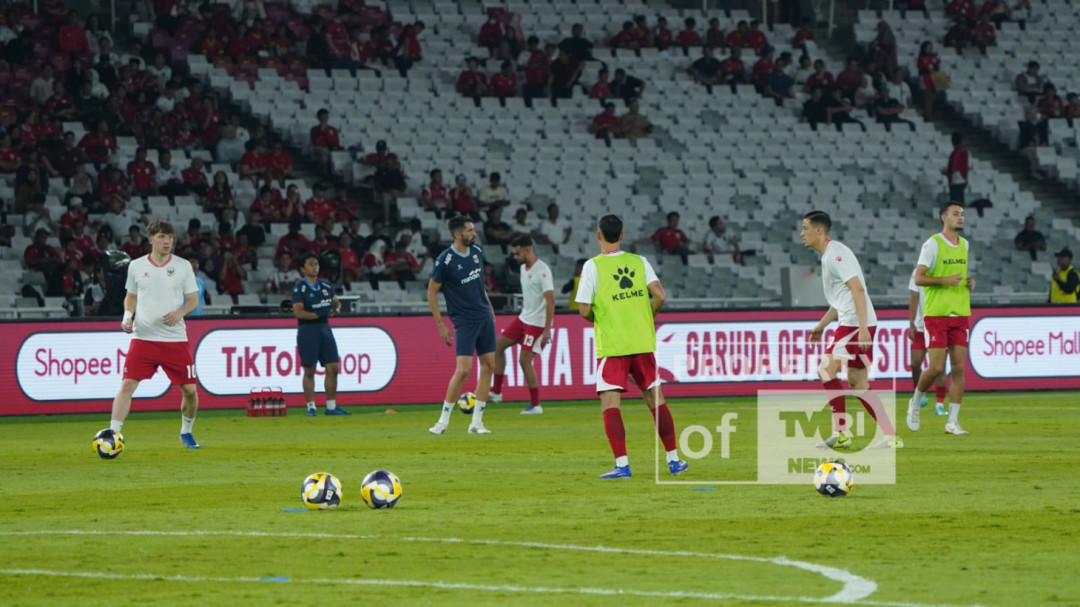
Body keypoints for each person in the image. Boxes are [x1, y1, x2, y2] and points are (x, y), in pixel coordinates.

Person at [575, 214, 688, 478]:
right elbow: (660, 295)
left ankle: (622, 465)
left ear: (598, 235)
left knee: (610, 403)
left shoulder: (592, 266)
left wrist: (603, 319)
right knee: (656, 400)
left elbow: (584, 309)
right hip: (641, 341)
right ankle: (674, 460)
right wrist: (646, 317)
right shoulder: (639, 261)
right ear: (622, 236)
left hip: (613, 344)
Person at [801, 211, 902, 449]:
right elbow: (841, 300)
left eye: (805, 228)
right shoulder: (830, 255)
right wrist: (821, 326)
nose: (802, 233)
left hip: (855, 324)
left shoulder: (836, 254)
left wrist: (863, 328)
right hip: (855, 322)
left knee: (826, 370)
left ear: (819, 230)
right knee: (858, 383)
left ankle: (841, 433)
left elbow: (858, 290)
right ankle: (891, 436)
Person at [107, 219, 202, 449]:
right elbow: (131, 296)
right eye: (161, 237)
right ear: (150, 240)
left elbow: (192, 301)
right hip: (143, 338)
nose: (166, 241)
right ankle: (113, 434)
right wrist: (127, 316)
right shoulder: (136, 266)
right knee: (127, 385)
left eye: (170, 237)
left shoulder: (183, 266)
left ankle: (186, 432)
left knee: (190, 391)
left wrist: (179, 312)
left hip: (174, 339)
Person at [907, 202, 975, 436]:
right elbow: (919, 279)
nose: (961, 217)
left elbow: (957, 276)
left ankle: (952, 422)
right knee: (936, 367)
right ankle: (915, 402)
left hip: (960, 312)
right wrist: (945, 281)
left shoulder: (965, 245)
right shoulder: (932, 244)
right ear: (943, 217)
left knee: (958, 368)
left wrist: (968, 282)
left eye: (962, 214)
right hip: (937, 314)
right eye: (956, 214)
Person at [427, 216, 497, 435]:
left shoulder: (476, 252)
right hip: (464, 320)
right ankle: (443, 421)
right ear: (457, 234)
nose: (473, 233)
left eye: (473, 229)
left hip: (483, 317)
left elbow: (479, 284)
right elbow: (431, 292)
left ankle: (476, 423)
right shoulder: (445, 260)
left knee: (488, 366)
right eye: (469, 230)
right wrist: (440, 324)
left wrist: (490, 308)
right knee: (464, 370)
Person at [489, 236, 555, 414]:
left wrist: (547, 329)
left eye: (517, 253)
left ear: (528, 250)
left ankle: (536, 405)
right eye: (514, 253)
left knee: (524, 360)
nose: (515, 257)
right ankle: (496, 391)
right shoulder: (522, 269)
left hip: (537, 324)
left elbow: (550, 301)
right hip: (524, 319)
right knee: (497, 346)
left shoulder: (542, 270)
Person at [291, 252, 349, 416]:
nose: (314, 267)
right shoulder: (299, 288)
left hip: (325, 328)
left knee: (333, 367)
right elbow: (299, 312)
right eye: (310, 264)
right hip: (308, 329)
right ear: (303, 269)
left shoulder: (325, 285)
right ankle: (311, 406)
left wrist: (336, 310)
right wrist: (320, 314)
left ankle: (331, 406)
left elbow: (336, 302)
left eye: (316, 264)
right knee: (310, 369)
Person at [908, 268, 949, 417]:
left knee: (940, 368)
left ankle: (939, 404)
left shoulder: (944, 270)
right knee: (915, 363)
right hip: (921, 325)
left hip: (939, 325)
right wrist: (911, 322)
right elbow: (914, 296)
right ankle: (921, 394)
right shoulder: (917, 272)